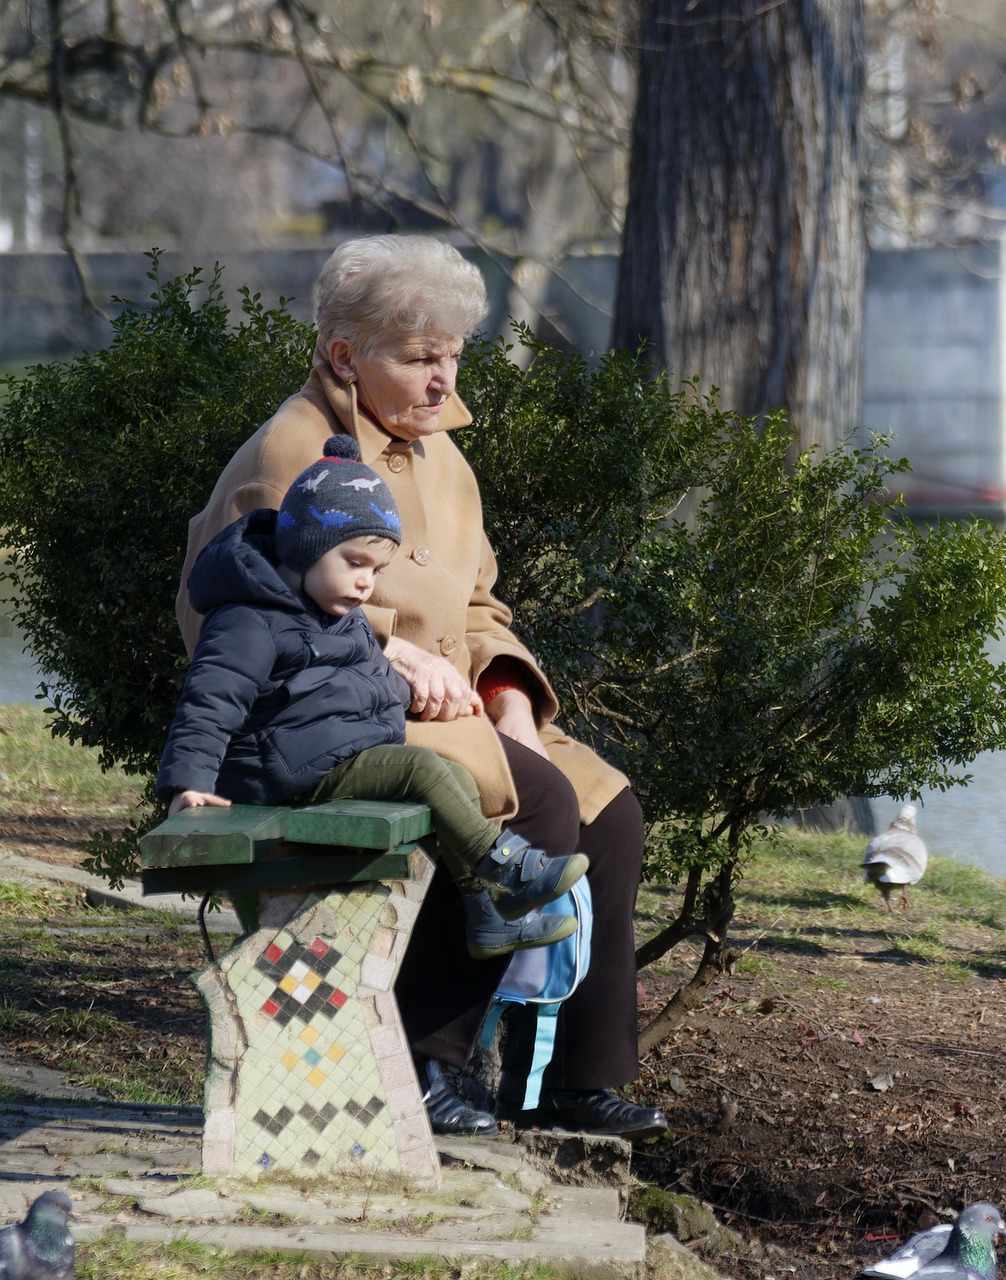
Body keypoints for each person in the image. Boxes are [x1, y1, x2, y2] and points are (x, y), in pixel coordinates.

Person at [177, 234, 665, 1141]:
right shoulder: (291, 453)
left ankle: (569, 1079)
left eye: (452, 356)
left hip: (460, 704)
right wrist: (391, 657)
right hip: (331, 720)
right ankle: (429, 1065)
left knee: (612, 811)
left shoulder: (442, 455)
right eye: (418, 358)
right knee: (532, 804)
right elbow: (235, 608)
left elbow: (479, 605)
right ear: (344, 357)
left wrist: (513, 699)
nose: (443, 381)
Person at [157, 434, 589, 961]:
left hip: (325, 754)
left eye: (377, 571)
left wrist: (421, 696)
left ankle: (486, 913)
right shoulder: (250, 619)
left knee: (450, 774)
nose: (366, 584)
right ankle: (508, 869)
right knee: (423, 771)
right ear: (305, 548)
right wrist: (190, 783)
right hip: (280, 772)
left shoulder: (337, 612)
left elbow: (368, 682)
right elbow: (209, 701)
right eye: (355, 562)